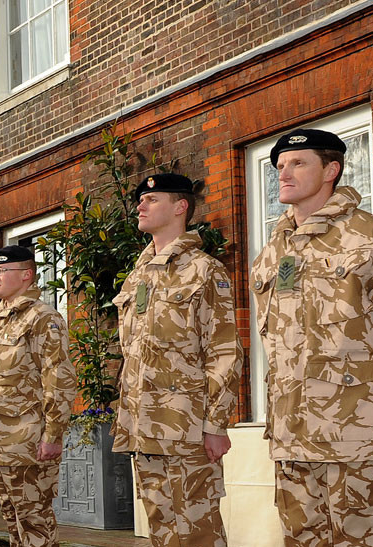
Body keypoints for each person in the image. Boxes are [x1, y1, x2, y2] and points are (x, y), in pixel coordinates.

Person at [251, 129, 373, 546]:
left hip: (356, 432)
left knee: (361, 540)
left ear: (331, 169)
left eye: (298, 163)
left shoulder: (372, 236)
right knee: (300, 539)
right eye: (279, 166)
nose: (283, 173)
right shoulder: (273, 252)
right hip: (291, 434)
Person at [110, 174, 241, 547]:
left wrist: (216, 424)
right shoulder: (137, 276)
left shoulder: (204, 270)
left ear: (180, 206)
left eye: (152, 198)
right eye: (141, 199)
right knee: (162, 532)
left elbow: (224, 351)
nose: (141, 205)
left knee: (198, 531)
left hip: (188, 427)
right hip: (144, 425)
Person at [0, 245, 77, 547]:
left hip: (27, 443)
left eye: (3, 271)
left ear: (27, 275)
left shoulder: (42, 318)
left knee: (35, 526)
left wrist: (53, 434)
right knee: (13, 526)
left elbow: (59, 378)